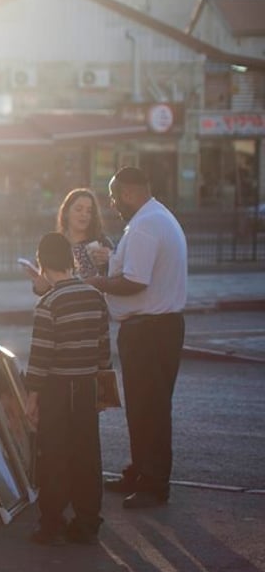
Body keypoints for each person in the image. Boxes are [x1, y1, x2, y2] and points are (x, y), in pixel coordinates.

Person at [86, 167, 187, 510]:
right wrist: (111, 259)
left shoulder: (145, 225)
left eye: (114, 197)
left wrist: (97, 283)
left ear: (129, 193)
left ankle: (153, 484)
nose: (113, 205)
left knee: (150, 409)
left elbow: (135, 281)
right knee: (146, 407)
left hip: (149, 330)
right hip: (159, 327)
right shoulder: (156, 217)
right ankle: (140, 472)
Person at [24, 232, 111, 545]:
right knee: (87, 453)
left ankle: (52, 521)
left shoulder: (48, 304)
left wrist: (32, 397)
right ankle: (88, 520)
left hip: (57, 388)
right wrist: (104, 391)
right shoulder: (94, 297)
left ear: (42, 264)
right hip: (88, 386)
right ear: (72, 261)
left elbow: (41, 356)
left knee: (55, 454)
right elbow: (104, 347)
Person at [24, 188, 114, 294]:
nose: (84, 214)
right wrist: (40, 287)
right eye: (78, 209)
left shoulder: (102, 242)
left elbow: (119, 278)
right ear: (66, 212)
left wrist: (111, 258)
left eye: (89, 211)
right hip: (66, 305)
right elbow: (42, 290)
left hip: (98, 305)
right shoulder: (54, 244)